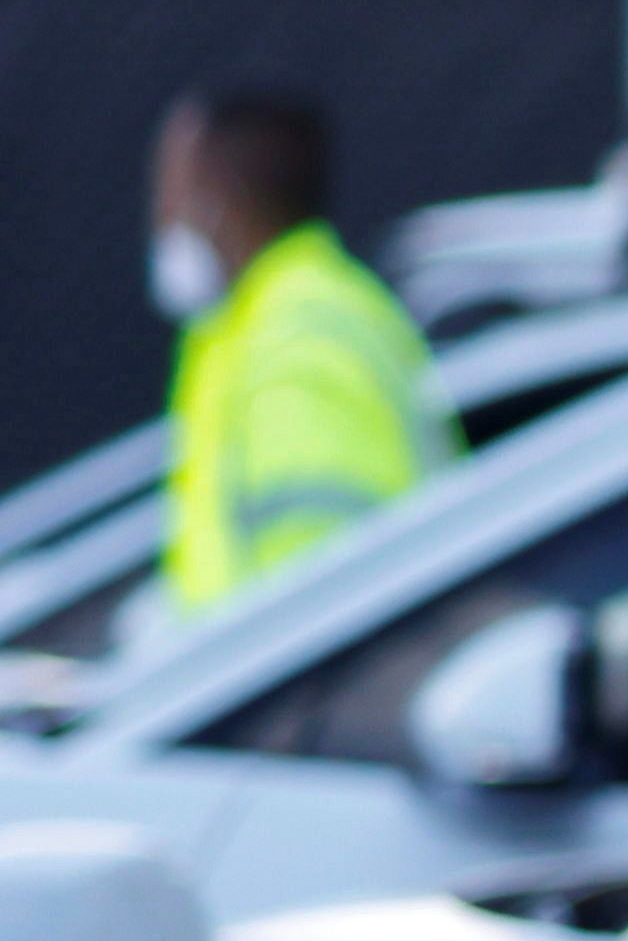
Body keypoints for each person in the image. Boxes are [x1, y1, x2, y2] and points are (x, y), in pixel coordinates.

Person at [148, 87, 424, 611]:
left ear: (219, 201)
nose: (165, 220)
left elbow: (319, 577)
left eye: (174, 196)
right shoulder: (264, 322)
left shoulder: (297, 341)